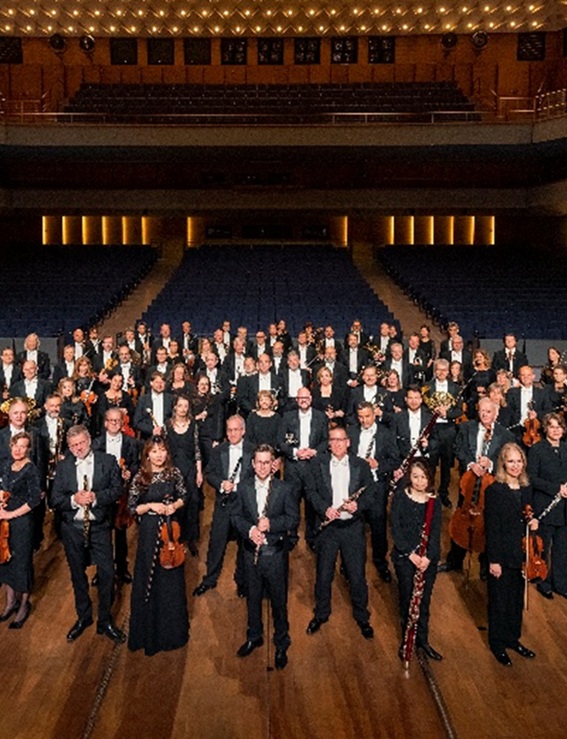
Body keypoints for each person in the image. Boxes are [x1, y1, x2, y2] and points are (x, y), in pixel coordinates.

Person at [51, 425, 125, 643]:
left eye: (81, 443)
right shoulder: (63, 466)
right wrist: (74, 500)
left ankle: (105, 620)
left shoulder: (108, 461)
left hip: (99, 526)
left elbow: (117, 490)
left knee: (107, 573)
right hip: (72, 529)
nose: (78, 448)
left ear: (89, 440)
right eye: (73, 445)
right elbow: (54, 500)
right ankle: (84, 617)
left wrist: (96, 497)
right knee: (77, 574)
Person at [305, 426, 375, 639]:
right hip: (328, 527)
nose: (337, 444)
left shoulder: (361, 465)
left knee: (356, 575)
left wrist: (358, 506)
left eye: (340, 440)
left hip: (352, 527)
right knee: (324, 574)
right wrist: (324, 509)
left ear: (348, 442)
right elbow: (311, 491)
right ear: (328, 443)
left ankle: (362, 616)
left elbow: (370, 492)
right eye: (333, 440)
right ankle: (321, 613)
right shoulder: (317, 464)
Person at [232, 444, 297, 669]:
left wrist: (272, 524)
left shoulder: (284, 489)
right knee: (252, 598)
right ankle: (254, 636)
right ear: (252, 464)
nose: (262, 466)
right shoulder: (243, 487)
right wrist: (250, 530)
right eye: (258, 462)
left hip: (275, 555)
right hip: (250, 554)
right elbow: (235, 516)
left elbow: (293, 519)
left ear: (273, 465)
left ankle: (281, 642)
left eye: (266, 462)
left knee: (279, 601)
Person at [127, 437, 189, 656]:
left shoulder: (174, 473)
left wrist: (174, 506)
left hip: (170, 530)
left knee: (170, 580)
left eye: (162, 450)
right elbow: (132, 507)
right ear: (147, 455)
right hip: (149, 530)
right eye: (154, 451)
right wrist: (151, 506)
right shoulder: (140, 477)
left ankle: (171, 633)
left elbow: (184, 496)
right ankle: (149, 633)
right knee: (149, 578)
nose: (159, 455)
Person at [485, 443, 537, 666]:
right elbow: (492, 528)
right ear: (503, 463)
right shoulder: (494, 491)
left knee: (516, 600)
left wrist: (533, 522)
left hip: (521, 553)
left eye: (519, 461)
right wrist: (494, 560)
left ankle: (512, 639)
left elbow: (528, 515)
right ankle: (497, 644)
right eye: (511, 461)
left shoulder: (526, 488)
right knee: (499, 601)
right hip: (502, 555)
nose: (515, 466)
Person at [193, 415, 253, 597]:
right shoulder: (219, 450)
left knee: (244, 545)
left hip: (244, 504)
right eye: (229, 430)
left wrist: (240, 487)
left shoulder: (253, 450)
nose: (232, 434)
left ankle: (242, 582)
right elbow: (209, 473)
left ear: (243, 431)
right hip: (224, 503)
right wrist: (221, 484)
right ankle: (209, 579)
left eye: (236, 430)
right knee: (216, 543)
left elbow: (258, 476)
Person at [390, 459, 442, 661]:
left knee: (424, 601)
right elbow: (396, 528)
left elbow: (435, 532)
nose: (420, 481)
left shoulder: (434, 501)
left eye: (423, 477)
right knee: (407, 599)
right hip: (406, 558)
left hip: (427, 560)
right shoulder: (400, 497)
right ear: (409, 477)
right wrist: (410, 554)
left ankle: (423, 641)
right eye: (415, 477)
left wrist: (428, 557)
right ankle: (407, 640)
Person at [348, 401, 400, 582]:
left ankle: (381, 562)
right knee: (354, 526)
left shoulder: (386, 434)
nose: (364, 420)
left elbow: (395, 460)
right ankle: (350, 563)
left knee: (378, 526)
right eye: (360, 417)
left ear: (374, 415)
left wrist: (378, 465)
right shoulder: (351, 432)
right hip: (355, 486)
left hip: (377, 486)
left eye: (367, 416)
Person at [91, 408, 141, 584]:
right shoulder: (96, 444)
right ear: (105, 423)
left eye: (118, 420)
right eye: (111, 420)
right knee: (102, 535)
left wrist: (130, 472)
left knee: (121, 533)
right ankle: (102, 570)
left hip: (122, 493)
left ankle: (122, 568)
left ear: (122, 423)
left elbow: (136, 464)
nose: (114, 423)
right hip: (103, 494)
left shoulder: (131, 443)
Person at [278, 387, 329, 549]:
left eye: (306, 398)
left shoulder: (321, 417)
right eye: (300, 398)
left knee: (312, 503)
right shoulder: (287, 417)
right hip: (293, 466)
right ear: (296, 400)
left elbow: (326, 441)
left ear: (311, 399)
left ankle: (312, 537)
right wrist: (295, 452)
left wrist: (314, 451)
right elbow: (280, 441)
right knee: (291, 502)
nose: (303, 400)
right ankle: (291, 536)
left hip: (313, 466)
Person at [0, 432, 42, 629]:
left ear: (28, 449)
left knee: (22, 563)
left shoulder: (31, 469)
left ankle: (23, 606)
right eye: (16, 445)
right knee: (6, 561)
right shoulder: (6, 465)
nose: (18, 450)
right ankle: (10, 603)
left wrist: (10, 514)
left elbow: (34, 501)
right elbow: (3, 488)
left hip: (22, 522)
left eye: (23, 446)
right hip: (4, 520)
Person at [526, 412, 567, 600]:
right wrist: (556, 489)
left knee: (562, 549)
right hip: (546, 505)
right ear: (546, 429)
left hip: (564, 507)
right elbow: (532, 478)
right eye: (552, 426)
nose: (556, 430)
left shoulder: (566, 448)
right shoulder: (537, 449)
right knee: (544, 546)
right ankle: (543, 581)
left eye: (559, 426)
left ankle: (561, 583)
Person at [165, 395, 202, 553]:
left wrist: (199, 472)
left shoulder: (193, 424)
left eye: (186, 406)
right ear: (175, 407)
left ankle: (190, 539)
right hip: (173, 470)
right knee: (176, 504)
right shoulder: (167, 425)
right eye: (180, 406)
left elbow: (197, 449)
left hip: (190, 469)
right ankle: (177, 538)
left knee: (192, 503)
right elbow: (164, 450)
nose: (183, 409)